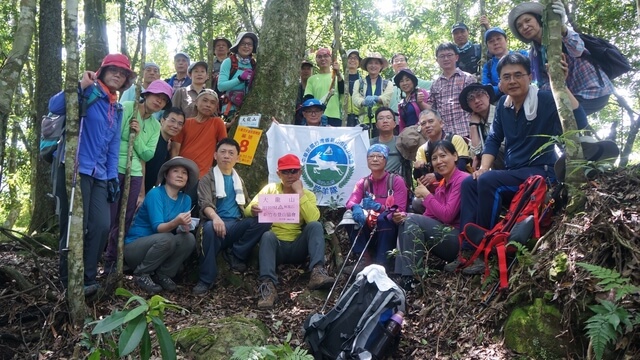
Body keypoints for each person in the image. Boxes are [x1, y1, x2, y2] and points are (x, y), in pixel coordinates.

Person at [457, 53, 588, 273]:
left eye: (518, 75)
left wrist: (561, 85)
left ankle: (484, 249)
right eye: (506, 76)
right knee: (470, 182)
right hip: (513, 172)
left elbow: (579, 122)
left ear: (530, 76)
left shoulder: (546, 99)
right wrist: (482, 168)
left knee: (490, 182)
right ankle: (467, 250)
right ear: (500, 82)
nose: (512, 81)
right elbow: (494, 139)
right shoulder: (503, 107)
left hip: (541, 172)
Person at [49, 53, 135, 296]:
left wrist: (110, 178)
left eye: (123, 73)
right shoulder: (89, 92)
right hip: (74, 167)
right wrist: (80, 85)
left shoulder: (116, 108)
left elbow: (113, 146)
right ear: (103, 71)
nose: (118, 75)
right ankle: (67, 280)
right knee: (74, 224)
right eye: (114, 70)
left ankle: (88, 278)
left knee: (101, 225)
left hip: (99, 174)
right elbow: (54, 106)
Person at [104, 79, 174, 274]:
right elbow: (112, 134)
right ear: (147, 94)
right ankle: (93, 259)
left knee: (125, 218)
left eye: (163, 100)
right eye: (156, 96)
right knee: (107, 217)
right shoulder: (127, 107)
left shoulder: (153, 125)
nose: (158, 102)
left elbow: (148, 154)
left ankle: (111, 260)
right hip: (113, 167)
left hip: (135, 173)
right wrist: (129, 130)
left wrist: (137, 136)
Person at [248, 154, 335, 310]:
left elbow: (314, 218)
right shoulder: (270, 189)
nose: (290, 175)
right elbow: (249, 209)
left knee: (315, 226)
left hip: (297, 245)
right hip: (276, 246)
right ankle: (268, 286)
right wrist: (253, 210)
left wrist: (299, 194)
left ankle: (317, 272)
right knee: (267, 235)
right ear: (278, 174)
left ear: (300, 173)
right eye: (286, 172)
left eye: (294, 171)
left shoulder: (307, 194)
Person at [192, 138, 272, 295]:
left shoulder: (239, 180)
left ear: (238, 158)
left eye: (231, 153)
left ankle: (235, 253)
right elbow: (205, 204)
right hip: (214, 224)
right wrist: (215, 218)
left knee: (264, 220)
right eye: (222, 152)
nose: (226, 156)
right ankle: (206, 279)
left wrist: (254, 210)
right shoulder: (206, 179)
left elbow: (246, 205)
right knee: (207, 229)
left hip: (236, 224)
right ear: (215, 155)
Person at [508, 1, 614, 115]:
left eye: (528, 20)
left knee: (562, 118)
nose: (525, 26)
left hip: (594, 90)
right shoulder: (534, 54)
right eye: (519, 26)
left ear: (538, 19)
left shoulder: (559, 34)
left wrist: (562, 27)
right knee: (552, 119)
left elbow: (578, 49)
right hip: (571, 95)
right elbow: (543, 83)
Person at [393, 140, 470, 283]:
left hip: (461, 243)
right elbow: (428, 216)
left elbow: (447, 215)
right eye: (434, 158)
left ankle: (411, 278)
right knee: (406, 220)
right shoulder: (442, 185)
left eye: (443, 156)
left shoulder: (462, 180)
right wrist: (404, 216)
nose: (439, 161)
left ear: (455, 156)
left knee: (411, 219)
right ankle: (402, 276)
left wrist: (427, 195)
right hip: (446, 238)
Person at [124, 157, 198, 294]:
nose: (180, 175)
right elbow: (157, 228)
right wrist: (176, 222)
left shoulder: (185, 199)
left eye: (184, 173)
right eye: (175, 171)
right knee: (167, 238)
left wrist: (185, 227)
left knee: (188, 239)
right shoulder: (155, 194)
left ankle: (163, 274)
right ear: (166, 174)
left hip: (160, 248)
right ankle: (142, 273)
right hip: (136, 247)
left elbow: (179, 231)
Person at [345, 144, 408, 270]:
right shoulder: (364, 182)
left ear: (385, 160)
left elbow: (400, 210)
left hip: (389, 229)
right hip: (370, 227)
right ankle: (364, 258)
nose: (375, 159)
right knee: (349, 217)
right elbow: (350, 202)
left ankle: (382, 262)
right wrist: (356, 207)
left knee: (384, 218)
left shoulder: (396, 181)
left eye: (379, 156)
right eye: (371, 156)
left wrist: (380, 208)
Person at [170, 89, 228, 211]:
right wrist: (174, 170)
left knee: (191, 207)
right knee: (174, 205)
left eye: (212, 103)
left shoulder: (217, 123)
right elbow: (175, 149)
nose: (208, 105)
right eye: (205, 100)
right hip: (182, 172)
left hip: (202, 176)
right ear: (196, 102)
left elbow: (224, 148)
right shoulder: (186, 123)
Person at [412, 109, 470, 211]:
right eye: (423, 123)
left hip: (458, 186)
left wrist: (436, 175)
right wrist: (418, 168)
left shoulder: (455, 139)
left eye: (431, 121)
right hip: (436, 190)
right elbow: (419, 177)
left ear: (441, 123)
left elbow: (461, 165)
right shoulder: (422, 149)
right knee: (417, 202)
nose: (427, 125)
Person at [426, 42, 477, 138]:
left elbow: (476, 104)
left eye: (449, 55)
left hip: (467, 131)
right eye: (442, 56)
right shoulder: (435, 84)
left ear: (456, 57)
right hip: (444, 135)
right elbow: (431, 109)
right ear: (437, 60)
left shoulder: (468, 78)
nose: (446, 59)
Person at [458, 83, 504, 170]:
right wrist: (473, 126)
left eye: (479, 95)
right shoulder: (477, 121)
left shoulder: (501, 112)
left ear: (487, 96)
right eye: (471, 99)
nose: (476, 101)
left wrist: (481, 156)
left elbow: (502, 145)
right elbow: (475, 153)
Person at [143, 107, 186, 194]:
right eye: (172, 121)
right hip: (137, 188)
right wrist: (141, 193)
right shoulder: (152, 138)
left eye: (180, 123)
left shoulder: (168, 144)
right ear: (162, 120)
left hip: (149, 190)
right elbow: (141, 164)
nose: (175, 126)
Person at [352, 52, 394, 135]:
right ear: (366, 66)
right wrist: (364, 102)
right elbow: (355, 98)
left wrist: (377, 99)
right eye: (370, 63)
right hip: (363, 121)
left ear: (381, 66)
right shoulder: (359, 82)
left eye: (376, 63)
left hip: (382, 121)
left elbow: (387, 98)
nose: (373, 65)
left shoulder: (387, 83)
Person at [218, 32, 258, 118]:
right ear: (238, 45)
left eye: (249, 44)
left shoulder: (254, 64)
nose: (246, 46)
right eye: (243, 43)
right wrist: (239, 79)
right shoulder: (228, 62)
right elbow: (221, 86)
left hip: (249, 110)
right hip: (230, 109)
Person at [480, 25, 528, 97]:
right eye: (491, 41)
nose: (496, 43)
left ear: (506, 40)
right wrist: (500, 88)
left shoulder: (522, 54)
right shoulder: (488, 66)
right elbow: (486, 89)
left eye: (499, 39)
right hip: (502, 101)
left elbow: (533, 75)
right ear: (487, 46)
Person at [304, 48, 344, 127]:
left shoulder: (338, 76)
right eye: (319, 57)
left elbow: (343, 91)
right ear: (316, 61)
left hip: (335, 116)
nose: (323, 59)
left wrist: (338, 73)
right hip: (317, 117)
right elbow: (308, 98)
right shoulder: (312, 79)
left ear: (331, 59)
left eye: (326, 56)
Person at [370, 107, 410, 183]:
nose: (385, 121)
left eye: (388, 118)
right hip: (374, 185)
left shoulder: (402, 142)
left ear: (395, 124)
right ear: (377, 125)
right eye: (381, 118)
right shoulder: (370, 143)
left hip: (396, 185)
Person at [389, 53, 432, 117]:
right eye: (396, 61)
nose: (399, 62)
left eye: (402, 60)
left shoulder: (416, 81)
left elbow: (433, 85)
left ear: (407, 63)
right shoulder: (388, 84)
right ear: (392, 65)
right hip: (393, 120)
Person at [345, 49, 362, 127]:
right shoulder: (339, 78)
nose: (352, 60)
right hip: (343, 117)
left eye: (355, 58)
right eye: (350, 57)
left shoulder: (363, 81)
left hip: (359, 117)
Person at [295, 59, 315, 125]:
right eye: (303, 69)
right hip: (297, 120)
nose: (306, 71)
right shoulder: (295, 87)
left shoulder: (315, 87)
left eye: (308, 69)